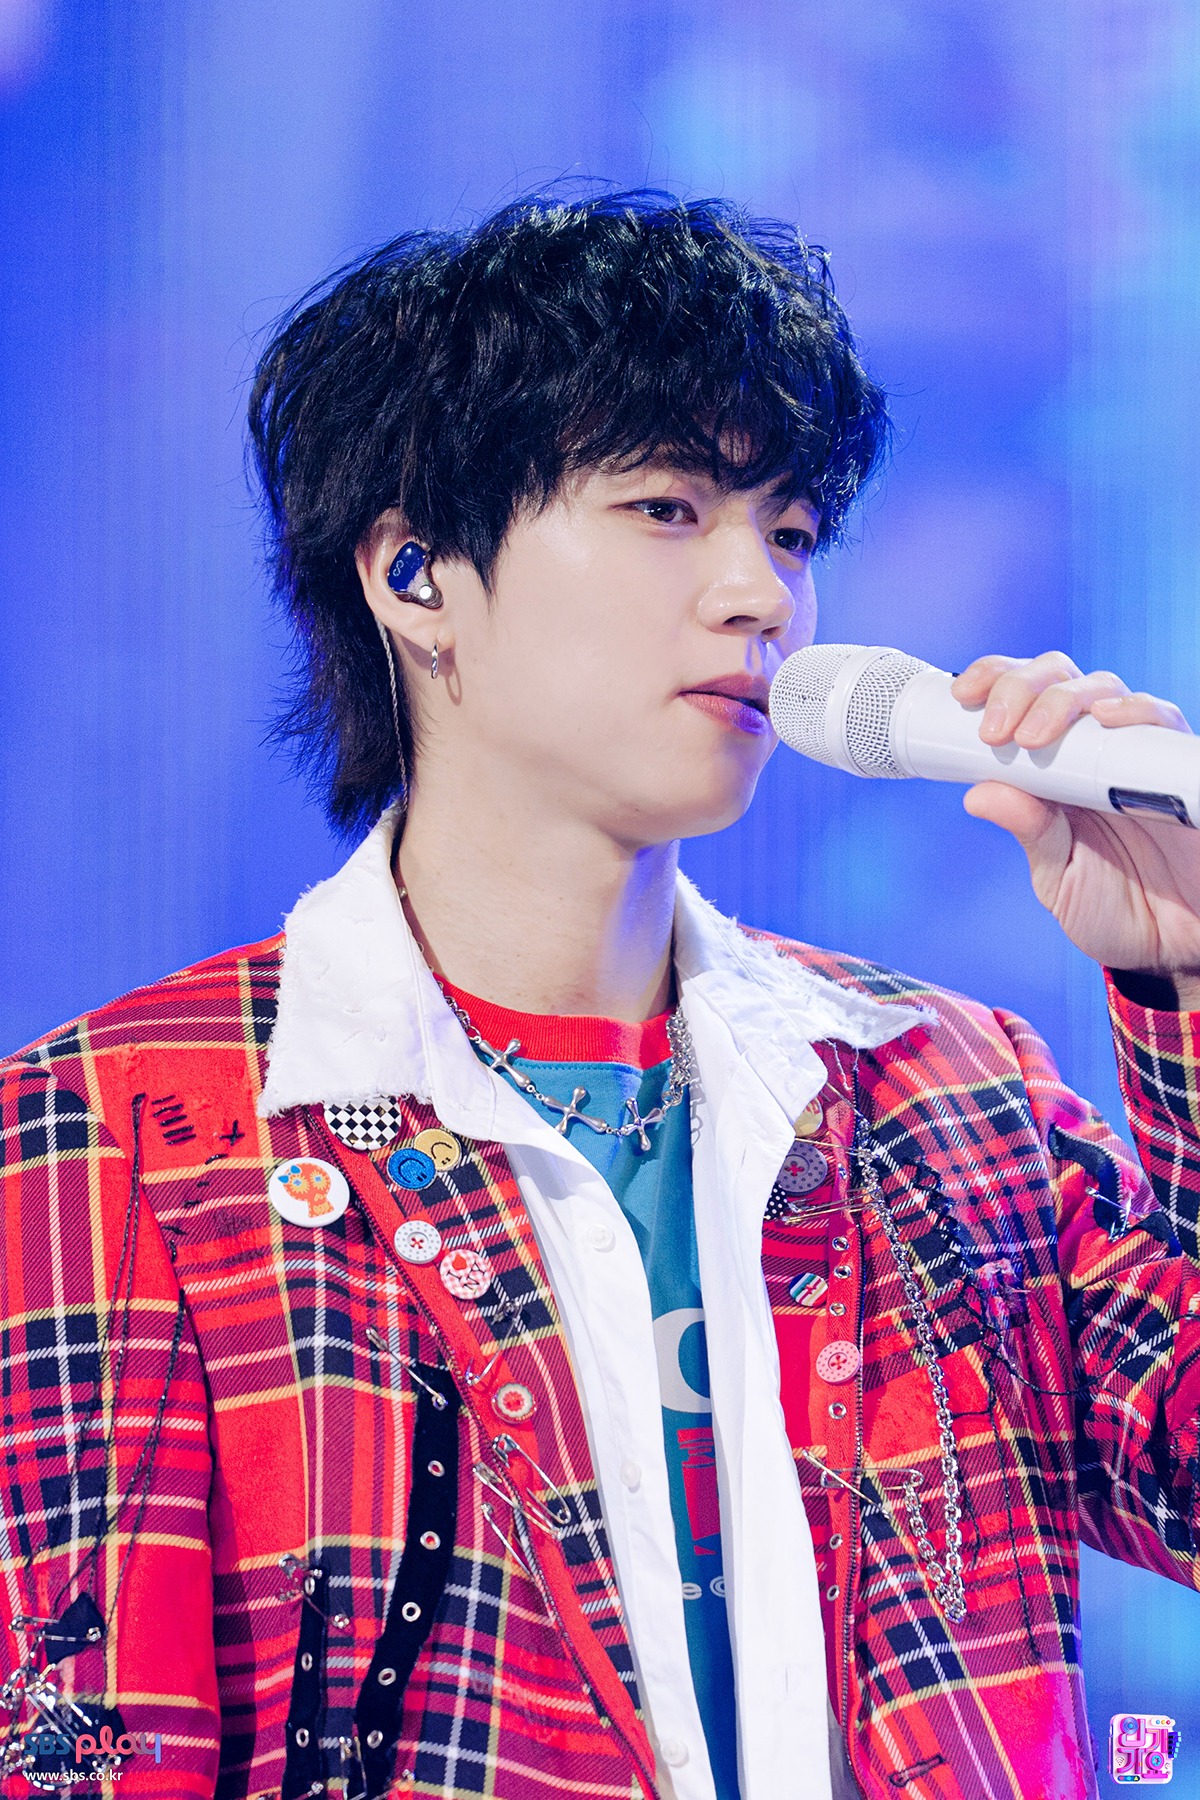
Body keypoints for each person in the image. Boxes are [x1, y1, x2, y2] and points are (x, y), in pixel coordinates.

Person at [0, 191, 1197, 1800]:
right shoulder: (123, 1137)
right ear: (415, 572)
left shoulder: (948, 1089)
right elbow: (82, 1750)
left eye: (789, 531)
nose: (761, 595)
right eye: (666, 509)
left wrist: (1185, 969)